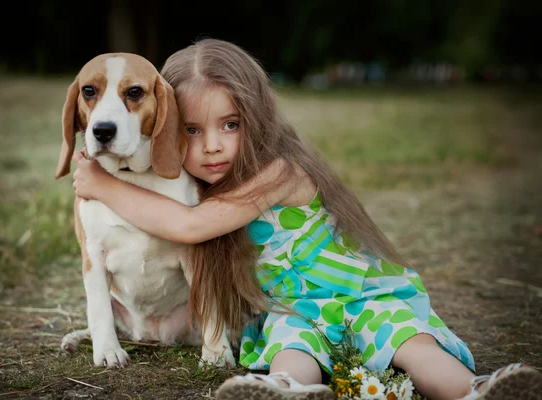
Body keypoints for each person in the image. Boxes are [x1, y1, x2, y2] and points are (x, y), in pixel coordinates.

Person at [70, 38, 541, 400]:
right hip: (290, 312)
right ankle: (288, 390)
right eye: (192, 131)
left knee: (410, 344)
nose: (212, 145)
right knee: (290, 351)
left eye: (230, 125)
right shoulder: (199, 186)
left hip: (356, 297)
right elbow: (171, 218)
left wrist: (103, 184)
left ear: (256, 118)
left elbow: (187, 227)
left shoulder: (279, 173)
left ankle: (473, 390)